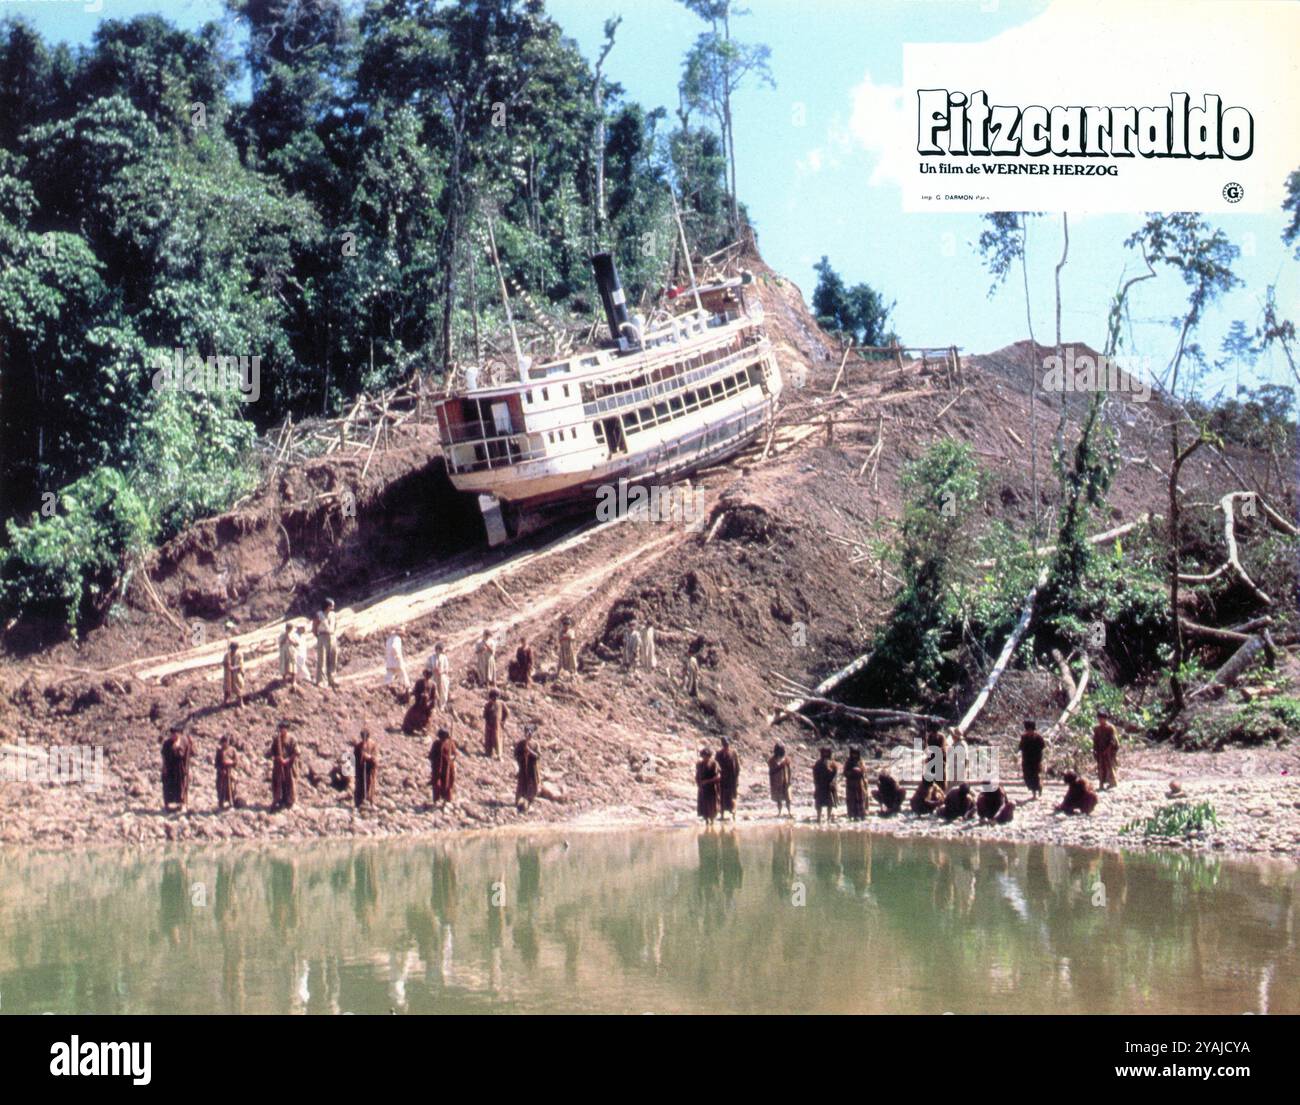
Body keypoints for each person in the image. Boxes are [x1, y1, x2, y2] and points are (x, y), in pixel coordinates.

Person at [161, 727, 193, 811]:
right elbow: (164, 756)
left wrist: (191, 743)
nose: (174, 736)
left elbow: (190, 753)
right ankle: (168, 804)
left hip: (180, 767)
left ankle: (181, 803)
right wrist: (164, 767)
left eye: (176, 734)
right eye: (172, 734)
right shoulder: (167, 743)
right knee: (168, 785)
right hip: (170, 767)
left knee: (180, 785)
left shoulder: (184, 741)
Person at [269, 721, 299, 810]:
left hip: (289, 765)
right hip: (279, 765)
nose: (282, 730)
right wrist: (278, 758)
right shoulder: (276, 739)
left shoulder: (292, 739)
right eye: (280, 728)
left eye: (284, 728)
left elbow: (296, 752)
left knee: (290, 782)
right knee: (278, 782)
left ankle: (289, 801)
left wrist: (287, 760)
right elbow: (272, 751)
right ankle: (278, 800)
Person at [314, 599, 339, 689]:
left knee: (333, 658)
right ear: (327, 606)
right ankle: (320, 680)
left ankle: (332, 679)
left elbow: (335, 625)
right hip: (322, 636)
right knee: (322, 659)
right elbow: (314, 627)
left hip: (332, 636)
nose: (333, 607)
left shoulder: (333, 615)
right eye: (331, 605)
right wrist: (319, 637)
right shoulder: (319, 615)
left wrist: (333, 634)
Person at [1018, 719, 1045, 799]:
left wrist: (1040, 760)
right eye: (1028, 730)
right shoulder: (1024, 737)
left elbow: (1042, 747)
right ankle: (1035, 790)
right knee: (1027, 777)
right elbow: (1020, 747)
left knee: (1035, 777)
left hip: (1036, 761)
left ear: (1033, 729)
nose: (1029, 731)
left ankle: (1036, 792)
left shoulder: (1038, 738)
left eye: (1031, 730)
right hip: (1026, 761)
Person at [429, 727, 457, 806]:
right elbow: (431, 755)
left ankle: (446, 800)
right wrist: (433, 762)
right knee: (437, 783)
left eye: (443, 736)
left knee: (447, 783)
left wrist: (451, 758)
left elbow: (454, 754)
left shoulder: (450, 743)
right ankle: (436, 800)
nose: (442, 738)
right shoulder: (436, 743)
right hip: (437, 767)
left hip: (447, 766)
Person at [514, 730, 540, 812]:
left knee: (534, 783)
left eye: (530, 734)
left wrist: (530, 751)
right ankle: (519, 801)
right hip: (523, 767)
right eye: (527, 734)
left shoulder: (535, 744)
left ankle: (530, 800)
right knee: (522, 783)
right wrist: (521, 758)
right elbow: (516, 754)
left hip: (532, 767)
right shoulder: (521, 744)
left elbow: (538, 755)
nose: (529, 735)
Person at [1093, 709, 1119, 789]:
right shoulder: (1097, 728)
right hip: (1100, 750)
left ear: (1105, 719)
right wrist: (1094, 750)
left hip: (1109, 751)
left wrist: (1108, 750)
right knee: (1101, 767)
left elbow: (1113, 740)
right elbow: (1095, 739)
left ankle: (1112, 782)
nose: (1100, 720)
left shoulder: (1110, 728)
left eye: (1102, 719)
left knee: (1109, 767)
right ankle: (1101, 783)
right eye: (1099, 719)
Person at [352, 729, 379, 809]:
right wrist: (361, 756)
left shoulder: (373, 745)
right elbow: (355, 757)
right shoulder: (358, 746)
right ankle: (359, 802)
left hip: (370, 769)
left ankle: (370, 801)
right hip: (360, 770)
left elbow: (375, 757)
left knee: (370, 784)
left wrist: (369, 757)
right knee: (360, 785)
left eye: (366, 736)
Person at [716, 737, 741, 821]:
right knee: (722, 796)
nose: (726, 747)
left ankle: (733, 813)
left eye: (727, 745)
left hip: (731, 779)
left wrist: (736, 778)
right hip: (722, 779)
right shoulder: (719, 754)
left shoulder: (733, 753)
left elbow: (737, 766)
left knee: (732, 796)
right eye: (724, 745)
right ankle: (722, 814)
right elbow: (716, 766)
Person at [812, 747, 839, 823]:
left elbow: (835, 774)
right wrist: (816, 783)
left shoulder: (833, 764)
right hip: (820, 785)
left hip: (829, 786)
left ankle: (828, 817)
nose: (825, 754)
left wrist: (833, 782)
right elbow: (815, 773)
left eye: (827, 753)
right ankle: (819, 817)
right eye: (824, 753)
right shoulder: (818, 763)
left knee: (830, 803)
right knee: (819, 803)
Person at [695, 747, 721, 827]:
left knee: (712, 806)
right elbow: (697, 776)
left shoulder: (714, 764)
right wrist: (699, 784)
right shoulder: (699, 764)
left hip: (712, 788)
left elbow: (718, 776)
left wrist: (708, 781)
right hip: (703, 789)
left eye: (707, 756)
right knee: (704, 806)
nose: (705, 758)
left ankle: (712, 821)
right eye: (703, 756)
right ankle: (706, 820)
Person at [768, 742, 793, 817]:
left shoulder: (786, 760)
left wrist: (789, 780)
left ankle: (789, 812)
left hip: (785, 781)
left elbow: (789, 770)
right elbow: (771, 771)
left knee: (788, 798)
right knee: (779, 798)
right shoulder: (772, 760)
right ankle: (779, 812)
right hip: (776, 782)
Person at [215, 733, 239, 811]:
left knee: (231, 788)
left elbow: (236, 761)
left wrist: (230, 762)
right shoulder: (219, 751)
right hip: (221, 773)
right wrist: (220, 770)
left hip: (230, 771)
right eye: (224, 742)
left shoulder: (233, 750)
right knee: (220, 788)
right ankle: (221, 803)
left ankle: (231, 803)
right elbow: (216, 763)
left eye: (227, 741)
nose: (225, 743)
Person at [844, 746, 868, 821]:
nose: (854, 755)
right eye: (853, 753)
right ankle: (852, 814)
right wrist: (851, 772)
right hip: (850, 783)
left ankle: (861, 814)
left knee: (861, 798)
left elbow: (864, 771)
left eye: (856, 754)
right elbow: (845, 772)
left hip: (859, 783)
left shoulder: (861, 762)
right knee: (851, 799)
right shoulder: (848, 762)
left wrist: (859, 771)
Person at [483, 688, 508, 759]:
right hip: (489, 725)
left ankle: (499, 754)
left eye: (496, 698)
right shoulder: (488, 705)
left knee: (497, 738)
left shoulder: (501, 703)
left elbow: (506, 713)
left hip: (497, 725)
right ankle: (488, 752)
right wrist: (488, 724)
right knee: (488, 738)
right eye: (493, 698)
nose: (494, 699)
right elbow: (485, 715)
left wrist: (503, 721)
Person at [222, 642, 245, 707]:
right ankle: (225, 702)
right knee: (227, 689)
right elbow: (225, 664)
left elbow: (241, 665)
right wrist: (228, 665)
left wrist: (234, 668)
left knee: (238, 689)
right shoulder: (227, 655)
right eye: (232, 649)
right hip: (228, 675)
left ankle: (240, 702)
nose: (233, 650)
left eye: (235, 649)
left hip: (236, 675)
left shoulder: (239, 655)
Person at [431, 642, 451, 709]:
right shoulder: (431, 658)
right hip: (434, 677)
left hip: (443, 677)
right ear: (437, 650)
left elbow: (447, 668)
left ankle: (442, 706)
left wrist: (442, 671)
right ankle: (435, 706)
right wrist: (433, 669)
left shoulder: (444, 658)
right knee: (435, 691)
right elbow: (427, 667)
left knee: (443, 692)